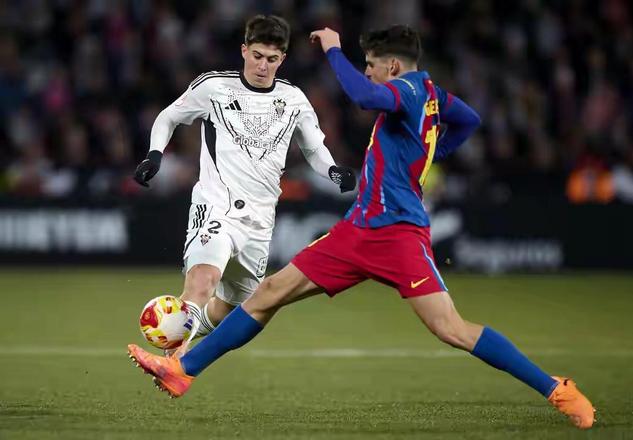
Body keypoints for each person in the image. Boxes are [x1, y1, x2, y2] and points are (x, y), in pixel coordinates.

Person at [128, 25, 595, 429]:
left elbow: (365, 97)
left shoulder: (407, 91)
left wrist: (334, 49)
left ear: (393, 66)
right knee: (268, 292)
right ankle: (183, 371)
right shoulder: (434, 95)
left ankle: (555, 388)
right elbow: (468, 120)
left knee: (451, 328)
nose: (367, 72)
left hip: (397, 235)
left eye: (370, 64)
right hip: (356, 231)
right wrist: (430, 154)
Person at [133, 15, 356, 349]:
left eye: (271, 59)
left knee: (231, 309)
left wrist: (334, 170)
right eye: (257, 56)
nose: (263, 66)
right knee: (203, 281)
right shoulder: (214, 87)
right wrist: (154, 155)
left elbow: (314, 149)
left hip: (260, 219)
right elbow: (168, 117)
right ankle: (175, 360)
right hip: (216, 206)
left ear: (282, 59)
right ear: (244, 50)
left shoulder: (293, 99)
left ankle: (179, 331)